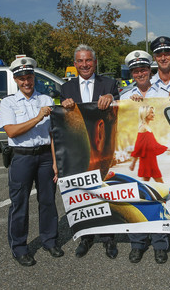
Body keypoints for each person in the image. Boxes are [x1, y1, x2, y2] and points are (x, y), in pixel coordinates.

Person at [0, 56, 64, 267]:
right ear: (16, 80)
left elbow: (53, 133)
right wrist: (37, 118)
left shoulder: (45, 100)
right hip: (22, 157)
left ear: (33, 77)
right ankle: (19, 248)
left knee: (47, 202)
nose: (26, 82)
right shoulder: (8, 103)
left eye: (29, 77)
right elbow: (12, 131)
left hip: (45, 156)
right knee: (19, 204)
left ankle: (49, 240)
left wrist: (55, 161)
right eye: (21, 79)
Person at [60, 44, 120, 259]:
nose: (84, 65)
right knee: (83, 192)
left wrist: (112, 98)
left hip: (103, 146)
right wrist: (64, 105)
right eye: (80, 61)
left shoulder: (109, 84)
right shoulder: (66, 89)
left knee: (106, 190)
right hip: (79, 148)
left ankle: (108, 238)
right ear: (75, 64)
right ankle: (86, 236)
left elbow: (120, 109)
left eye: (88, 60)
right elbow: (62, 122)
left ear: (94, 62)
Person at [121, 50, 170, 264]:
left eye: (143, 69)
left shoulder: (166, 92)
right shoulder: (124, 96)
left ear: (150, 70)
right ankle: (138, 243)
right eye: (135, 70)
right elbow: (121, 129)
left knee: (158, 198)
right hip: (138, 157)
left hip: (158, 156)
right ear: (131, 73)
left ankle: (160, 244)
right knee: (137, 197)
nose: (140, 73)